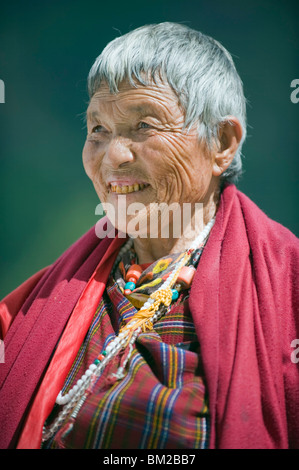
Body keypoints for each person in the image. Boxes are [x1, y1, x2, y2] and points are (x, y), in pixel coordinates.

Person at [0, 22, 298, 450]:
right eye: (98, 129)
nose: (113, 157)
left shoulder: (285, 289)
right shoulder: (43, 303)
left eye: (143, 125)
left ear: (223, 142)